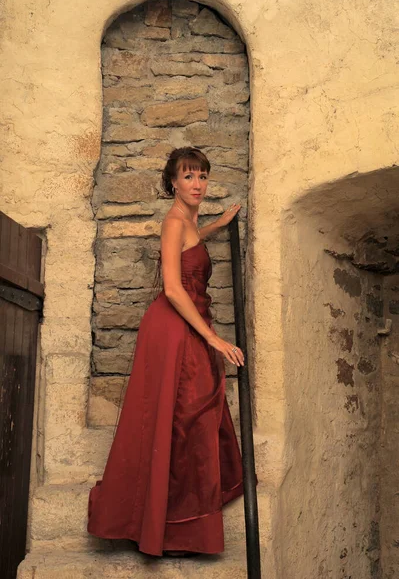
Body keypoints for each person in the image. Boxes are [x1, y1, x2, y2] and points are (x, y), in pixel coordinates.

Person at [87, 147, 245, 557]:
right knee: (181, 417)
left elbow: (191, 242)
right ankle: (168, 526)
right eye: (189, 177)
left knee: (190, 417)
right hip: (173, 327)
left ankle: (180, 517)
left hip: (184, 325)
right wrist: (215, 340)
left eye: (202, 177)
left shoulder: (189, 220)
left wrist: (218, 225)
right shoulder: (173, 220)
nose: (197, 185)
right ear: (172, 182)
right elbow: (173, 288)